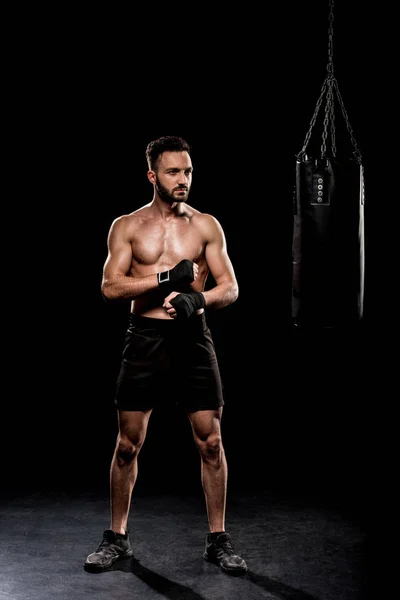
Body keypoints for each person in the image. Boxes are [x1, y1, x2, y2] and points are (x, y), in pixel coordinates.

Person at [84, 135, 247, 576]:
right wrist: (162, 277)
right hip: (145, 338)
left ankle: (218, 539)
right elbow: (110, 287)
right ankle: (116, 538)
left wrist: (200, 301)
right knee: (126, 444)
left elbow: (229, 287)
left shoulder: (206, 225)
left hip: (193, 338)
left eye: (188, 171)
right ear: (152, 175)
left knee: (211, 442)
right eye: (173, 172)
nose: (183, 180)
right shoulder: (127, 226)